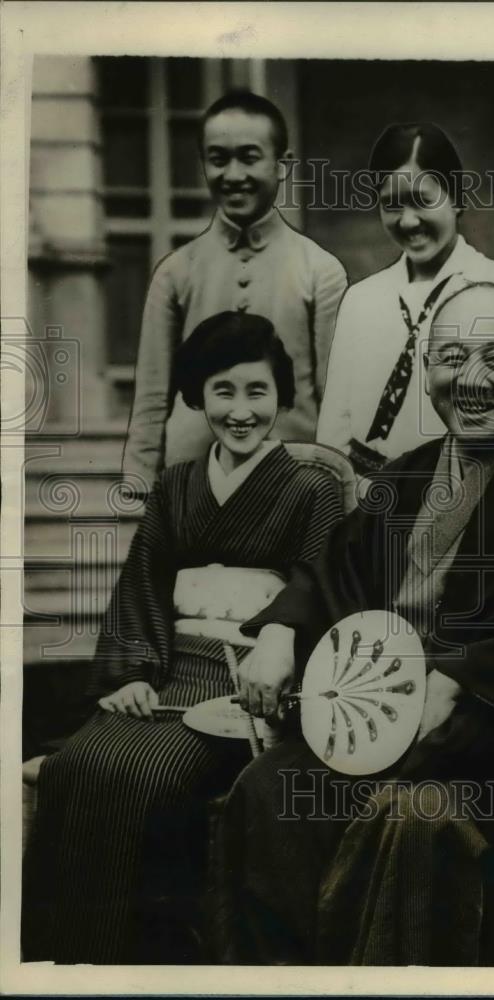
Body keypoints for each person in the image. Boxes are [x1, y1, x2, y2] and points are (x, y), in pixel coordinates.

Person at [211, 282, 494, 965]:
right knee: (266, 790)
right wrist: (283, 630)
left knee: (413, 820)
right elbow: (332, 565)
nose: (471, 381)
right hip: (381, 719)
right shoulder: (409, 476)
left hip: (492, 745)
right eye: (452, 357)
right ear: (428, 368)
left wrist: (457, 680)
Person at [22, 312, 345, 964]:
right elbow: (142, 583)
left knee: (148, 776)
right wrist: (132, 673)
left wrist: (279, 645)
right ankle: (65, 962)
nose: (241, 410)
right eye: (223, 391)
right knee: (75, 767)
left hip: (246, 680)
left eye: (257, 391)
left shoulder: (313, 488)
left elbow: (320, 582)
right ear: (198, 396)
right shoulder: (175, 486)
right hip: (168, 669)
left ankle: (143, 957)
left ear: (282, 396)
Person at [122, 90, 348, 492]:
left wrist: (337, 484)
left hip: (291, 484)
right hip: (193, 483)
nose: (233, 175)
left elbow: (336, 398)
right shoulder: (176, 271)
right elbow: (152, 396)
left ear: (282, 166)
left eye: (249, 157)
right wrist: (139, 482)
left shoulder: (320, 271)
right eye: (218, 159)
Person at [316, 122, 494, 476]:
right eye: (391, 205)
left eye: (423, 201)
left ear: (456, 198)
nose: (408, 222)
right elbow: (335, 424)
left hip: (454, 485)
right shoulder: (361, 298)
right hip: (365, 490)